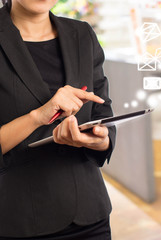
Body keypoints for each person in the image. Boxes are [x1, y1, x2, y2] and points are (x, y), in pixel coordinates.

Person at [0, 0, 116, 239]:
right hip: (20, 220)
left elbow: (102, 114)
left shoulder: (82, 33)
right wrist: (38, 116)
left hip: (90, 214)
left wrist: (99, 140)